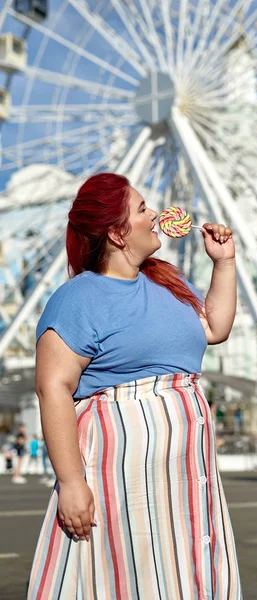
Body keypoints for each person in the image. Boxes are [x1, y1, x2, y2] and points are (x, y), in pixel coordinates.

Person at [27, 173, 242, 599]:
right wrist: (71, 483)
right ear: (116, 231)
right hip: (119, 472)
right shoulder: (79, 297)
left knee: (184, 570)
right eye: (142, 209)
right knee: (126, 573)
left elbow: (215, 327)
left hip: (185, 472)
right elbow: (53, 388)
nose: (155, 216)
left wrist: (224, 262)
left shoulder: (167, 283)